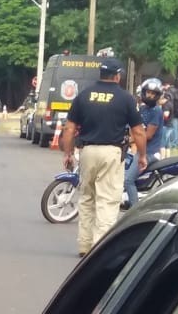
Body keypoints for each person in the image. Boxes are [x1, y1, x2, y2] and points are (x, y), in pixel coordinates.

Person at [61, 58, 146, 257]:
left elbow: (69, 128)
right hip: (111, 152)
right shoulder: (125, 98)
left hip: (88, 151)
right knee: (107, 201)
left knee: (87, 198)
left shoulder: (84, 96)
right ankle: (99, 250)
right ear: (117, 76)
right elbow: (139, 132)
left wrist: (67, 153)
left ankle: (84, 245)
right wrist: (142, 155)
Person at [124, 78, 165, 209]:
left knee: (128, 180)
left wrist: (130, 140)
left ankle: (134, 210)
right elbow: (134, 127)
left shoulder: (157, 111)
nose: (150, 95)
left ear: (157, 95)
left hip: (150, 153)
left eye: (153, 93)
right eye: (148, 92)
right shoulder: (142, 109)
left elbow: (148, 135)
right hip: (141, 150)